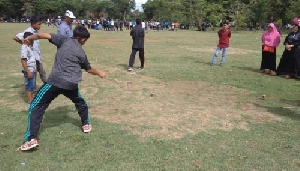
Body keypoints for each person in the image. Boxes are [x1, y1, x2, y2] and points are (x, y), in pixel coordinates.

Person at [19, 25, 106, 151]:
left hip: (56, 82)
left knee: (35, 106)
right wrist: (100, 73)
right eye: (85, 39)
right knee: (80, 101)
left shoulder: (63, 40)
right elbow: (89, 69)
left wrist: (30, 39)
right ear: (79, 38)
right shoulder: (80, 52)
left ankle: (31, 139)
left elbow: (40, 35)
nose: (85, 42)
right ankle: (86, 124)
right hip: (71, 84)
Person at [13, 15, 47, 83]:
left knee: (42, 73)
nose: (40, 26)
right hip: (31, 58)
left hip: (37, 57)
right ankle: (33, 90)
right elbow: (15, 37)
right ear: (33, 23)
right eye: (39, 24)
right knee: (33, 75)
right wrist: (24, 44)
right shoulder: (28, 32)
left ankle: (47, 87)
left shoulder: (36, 32)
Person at [21, 32, 36, 104]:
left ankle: (32, 98)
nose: (33, 41)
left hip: (32, 69)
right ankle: (30, 100)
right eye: (32, 39)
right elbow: (23, 61)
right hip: (29, 69)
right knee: (29, 85)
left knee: (32, 85)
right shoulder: (24, 48)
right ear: (27, 39)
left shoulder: (29, 47)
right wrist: (28, 71)